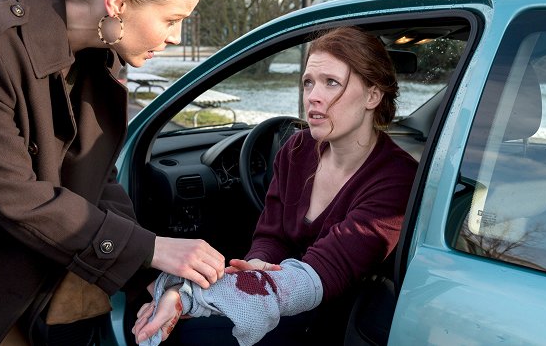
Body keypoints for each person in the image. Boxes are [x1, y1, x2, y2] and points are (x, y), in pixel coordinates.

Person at [0, 0, 226, 345]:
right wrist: (148, 249)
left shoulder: (103, 52)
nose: (175, 36)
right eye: (171, 19)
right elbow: (16, 194)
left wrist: (147, 274)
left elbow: (94, 178)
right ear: (117, 1)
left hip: (21, 286)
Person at [132, 27, 419, 345]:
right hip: (279, 295)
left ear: (372, 95)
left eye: (331, 82)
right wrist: (254, 265)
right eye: (308, 82)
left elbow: (323, 272)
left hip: (335, 320)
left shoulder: (396, 178)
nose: (313, 96)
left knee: (183, 334)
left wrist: (187, 297)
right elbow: (272, 235)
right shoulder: (298, 148)